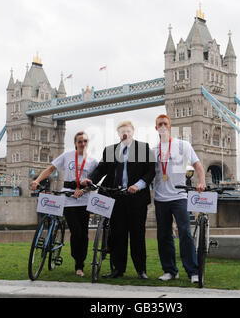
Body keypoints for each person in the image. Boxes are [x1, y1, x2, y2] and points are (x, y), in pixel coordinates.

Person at [82, 121, 156, 279]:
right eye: (122, 131)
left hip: (136, 198)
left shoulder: (142, 148)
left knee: (137, 235)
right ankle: (118, 269)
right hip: (116, 197)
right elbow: (101, 169)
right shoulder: (110, 150)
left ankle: (141, 270)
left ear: (132, 132)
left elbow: (150, 171)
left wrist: (138, 185)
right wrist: (90, 179)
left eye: (128, 131)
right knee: (117, 235)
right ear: (118, 133)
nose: (125, 133)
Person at [31, 131, 98, 277]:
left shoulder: (93, 161)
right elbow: (50, 169)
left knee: (84, 234)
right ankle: (77, 259)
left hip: (84, 199)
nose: (82, 143)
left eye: (85, 141)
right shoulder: (67, 156)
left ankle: (80, 265)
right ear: (75, 143)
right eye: (79, 141)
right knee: (76, 232)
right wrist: (37, 181)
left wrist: (83, 191)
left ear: (88, 143)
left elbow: (94, 182)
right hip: (68, 197)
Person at [153, 114, 206, 284]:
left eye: (165, 124)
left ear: (170, 126)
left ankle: (192, 271)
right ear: (156, 128)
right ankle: (170, 270)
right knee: (163, 235)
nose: (162, 126)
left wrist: (202, 182)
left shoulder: (183, 145)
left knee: (185, 233)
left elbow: (198, 165)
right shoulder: (153, 150)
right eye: (159, 124)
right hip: (160, 198)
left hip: (179, 196)